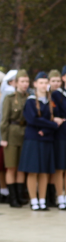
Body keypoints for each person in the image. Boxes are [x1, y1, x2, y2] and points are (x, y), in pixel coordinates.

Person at [19, 72, 63, 211]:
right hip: (33, 138)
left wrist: (47, 130)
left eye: (46, 83)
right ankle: (34, 200)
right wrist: (51, 124)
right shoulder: (31, 101)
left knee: (44, 171)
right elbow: (33, 120)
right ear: (36, 84)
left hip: (47, 138)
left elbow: (58, 120)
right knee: (33, 171)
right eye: (41, 83)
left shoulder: (51, 102)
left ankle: (42, 200)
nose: (44, 85)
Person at [0, 70, 29, 208]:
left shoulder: (30, 97)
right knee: (11, 167)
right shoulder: (9, 98)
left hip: (25, 134)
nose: (25, 84)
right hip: (11, 134)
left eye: (27, 81)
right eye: (22, 81)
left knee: (21, 168)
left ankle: (19, 195)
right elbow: (4, 119)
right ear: (16, 83)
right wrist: (3, 138)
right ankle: (12, 197)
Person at [50, 70, 66, 209]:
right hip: (61, 133)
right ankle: (60, 197)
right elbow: (56, 114)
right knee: (60, 167)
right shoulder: (57, 94)